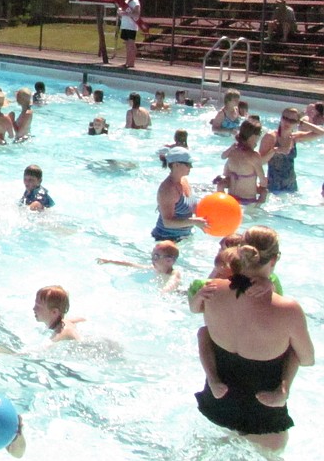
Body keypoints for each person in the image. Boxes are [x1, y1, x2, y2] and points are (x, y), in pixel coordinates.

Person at [192, 231, 314, 451]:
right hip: (264, 418)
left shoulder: (210, 291)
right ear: (274, 259)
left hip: (217, 406)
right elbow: (307, 359)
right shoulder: (288, 309)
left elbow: (202, 330)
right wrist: (284, 389)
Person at [259, 106, 324, 192]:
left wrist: (304, 123)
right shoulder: (271, 137)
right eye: (285, 118)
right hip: (274, 185)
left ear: (297, 122)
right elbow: (259, 162)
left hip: (291, 185)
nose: (287, 122)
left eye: (292, 120)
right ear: (281, 118)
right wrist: (275, 150)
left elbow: (321, 133)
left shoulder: (295, 137)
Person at [152, 146, 206, 241]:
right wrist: (195, 222)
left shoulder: (184, 180)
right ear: (176, 165)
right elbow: (167, 222)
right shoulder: (167, 189)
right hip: (166, 239)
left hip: (185, 236)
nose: (191, 167)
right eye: (188, 164)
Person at [96, 241, 182, 293]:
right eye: (152, 255)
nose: (152, 259)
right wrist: (110, 261)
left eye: (156, 256)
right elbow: (131, 265)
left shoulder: (174, 273)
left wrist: (164, 291)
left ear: (169, 261)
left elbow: (173, 282)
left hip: (176, 296)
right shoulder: (153, 269)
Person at [216, 119, 267, 205]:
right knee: (264, 192)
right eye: (259, 134)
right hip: (248, 200)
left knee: (222, 183)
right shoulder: (254, 156)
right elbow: (263, 182)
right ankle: (257, 209)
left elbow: (223, 159)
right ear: (253, 136)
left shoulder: (232, 151)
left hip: (231, 198)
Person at [118, 0, 141, 69]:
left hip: (131, 26)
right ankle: (127, 62)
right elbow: (121, 11)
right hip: (125, 25)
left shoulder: (135, 2)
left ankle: (131, 63)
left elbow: (136, 14)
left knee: (131, 45)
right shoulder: (126, 1)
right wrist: (120, 13)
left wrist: (126, 13)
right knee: (127, 45)